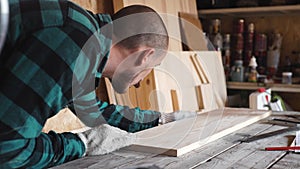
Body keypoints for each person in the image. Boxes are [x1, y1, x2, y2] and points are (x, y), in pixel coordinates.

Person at [0, 0, 196, 168]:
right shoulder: (76, 46)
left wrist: (160, 120)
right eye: (151, 68)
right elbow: (8, 151)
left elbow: (92, 109)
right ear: (146, 56)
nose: (139, 84)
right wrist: (82, 143)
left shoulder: (84, 34)